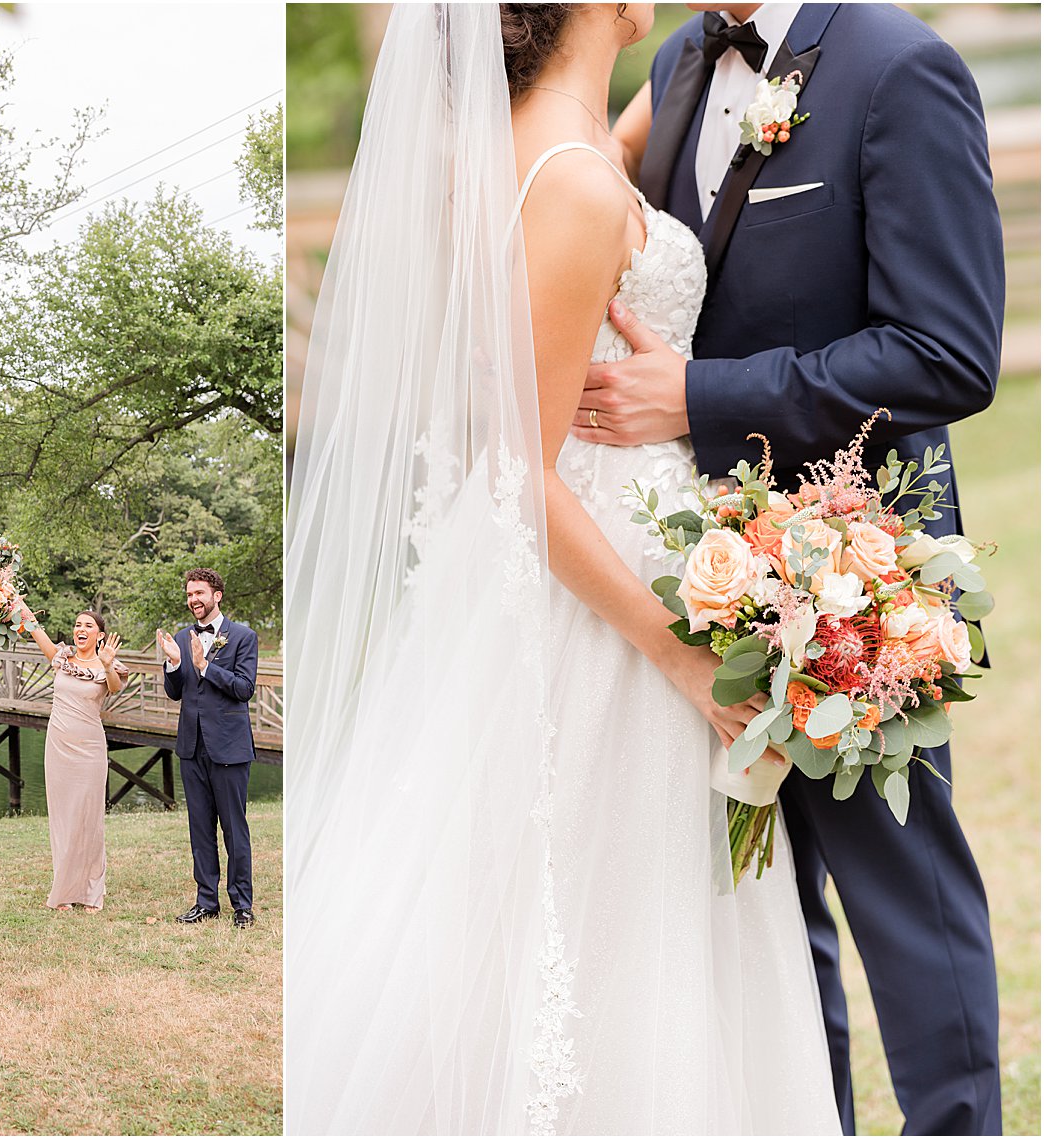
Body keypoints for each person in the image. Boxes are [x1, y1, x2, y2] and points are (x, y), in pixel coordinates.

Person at [285, 5, 838, 1133]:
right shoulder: (574, 185)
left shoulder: (543, 146)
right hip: (607, 607)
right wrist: (679, 654)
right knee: (616, 932)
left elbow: (649, 116)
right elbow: (516, 474)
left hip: (561, 590)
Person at [586, 5, 1004, 1133]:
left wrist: (699, 397)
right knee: (768, 913)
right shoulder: (676, 59)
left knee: (904, 896)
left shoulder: (900, 67)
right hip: (697, 571)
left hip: (850, 573)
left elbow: (946, 349)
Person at [156, 569, 259, 929]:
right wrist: (174, 662)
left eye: (199, 592)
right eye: (189, 594)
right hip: (191, 746)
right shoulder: (182, 637)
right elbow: (176, 692)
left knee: (234, 828)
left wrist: (204, 666)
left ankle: (242, 905)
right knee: (200, 829)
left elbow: (244, 688)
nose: (193, 600)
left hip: (229, 748)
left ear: (217, 595)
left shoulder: (243, 637)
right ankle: (206, 901)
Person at [20, 609, 128, 911]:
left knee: (88, 819)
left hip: (90, 748)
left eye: (88, 626)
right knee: (62, 817)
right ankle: (64, 890)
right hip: (58, 745)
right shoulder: (61, 658)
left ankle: (93, 892)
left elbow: (115, 688)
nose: (81, 629)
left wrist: (106, 665)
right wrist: (15, 601)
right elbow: (35, 629)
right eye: (77, 624)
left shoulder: (108, 665)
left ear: (100, 635)